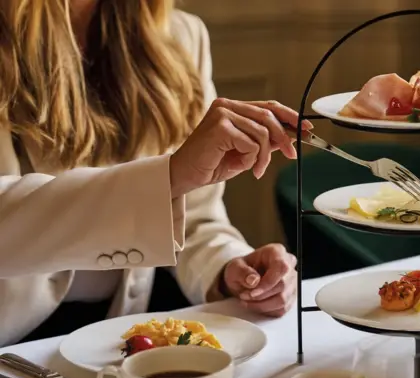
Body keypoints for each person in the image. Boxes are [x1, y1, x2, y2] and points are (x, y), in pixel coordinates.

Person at [0, 0, 311, 346]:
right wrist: (167, 177)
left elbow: (192, 220)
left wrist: (229, 268)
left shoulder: (180, 37)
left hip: (116, 331)